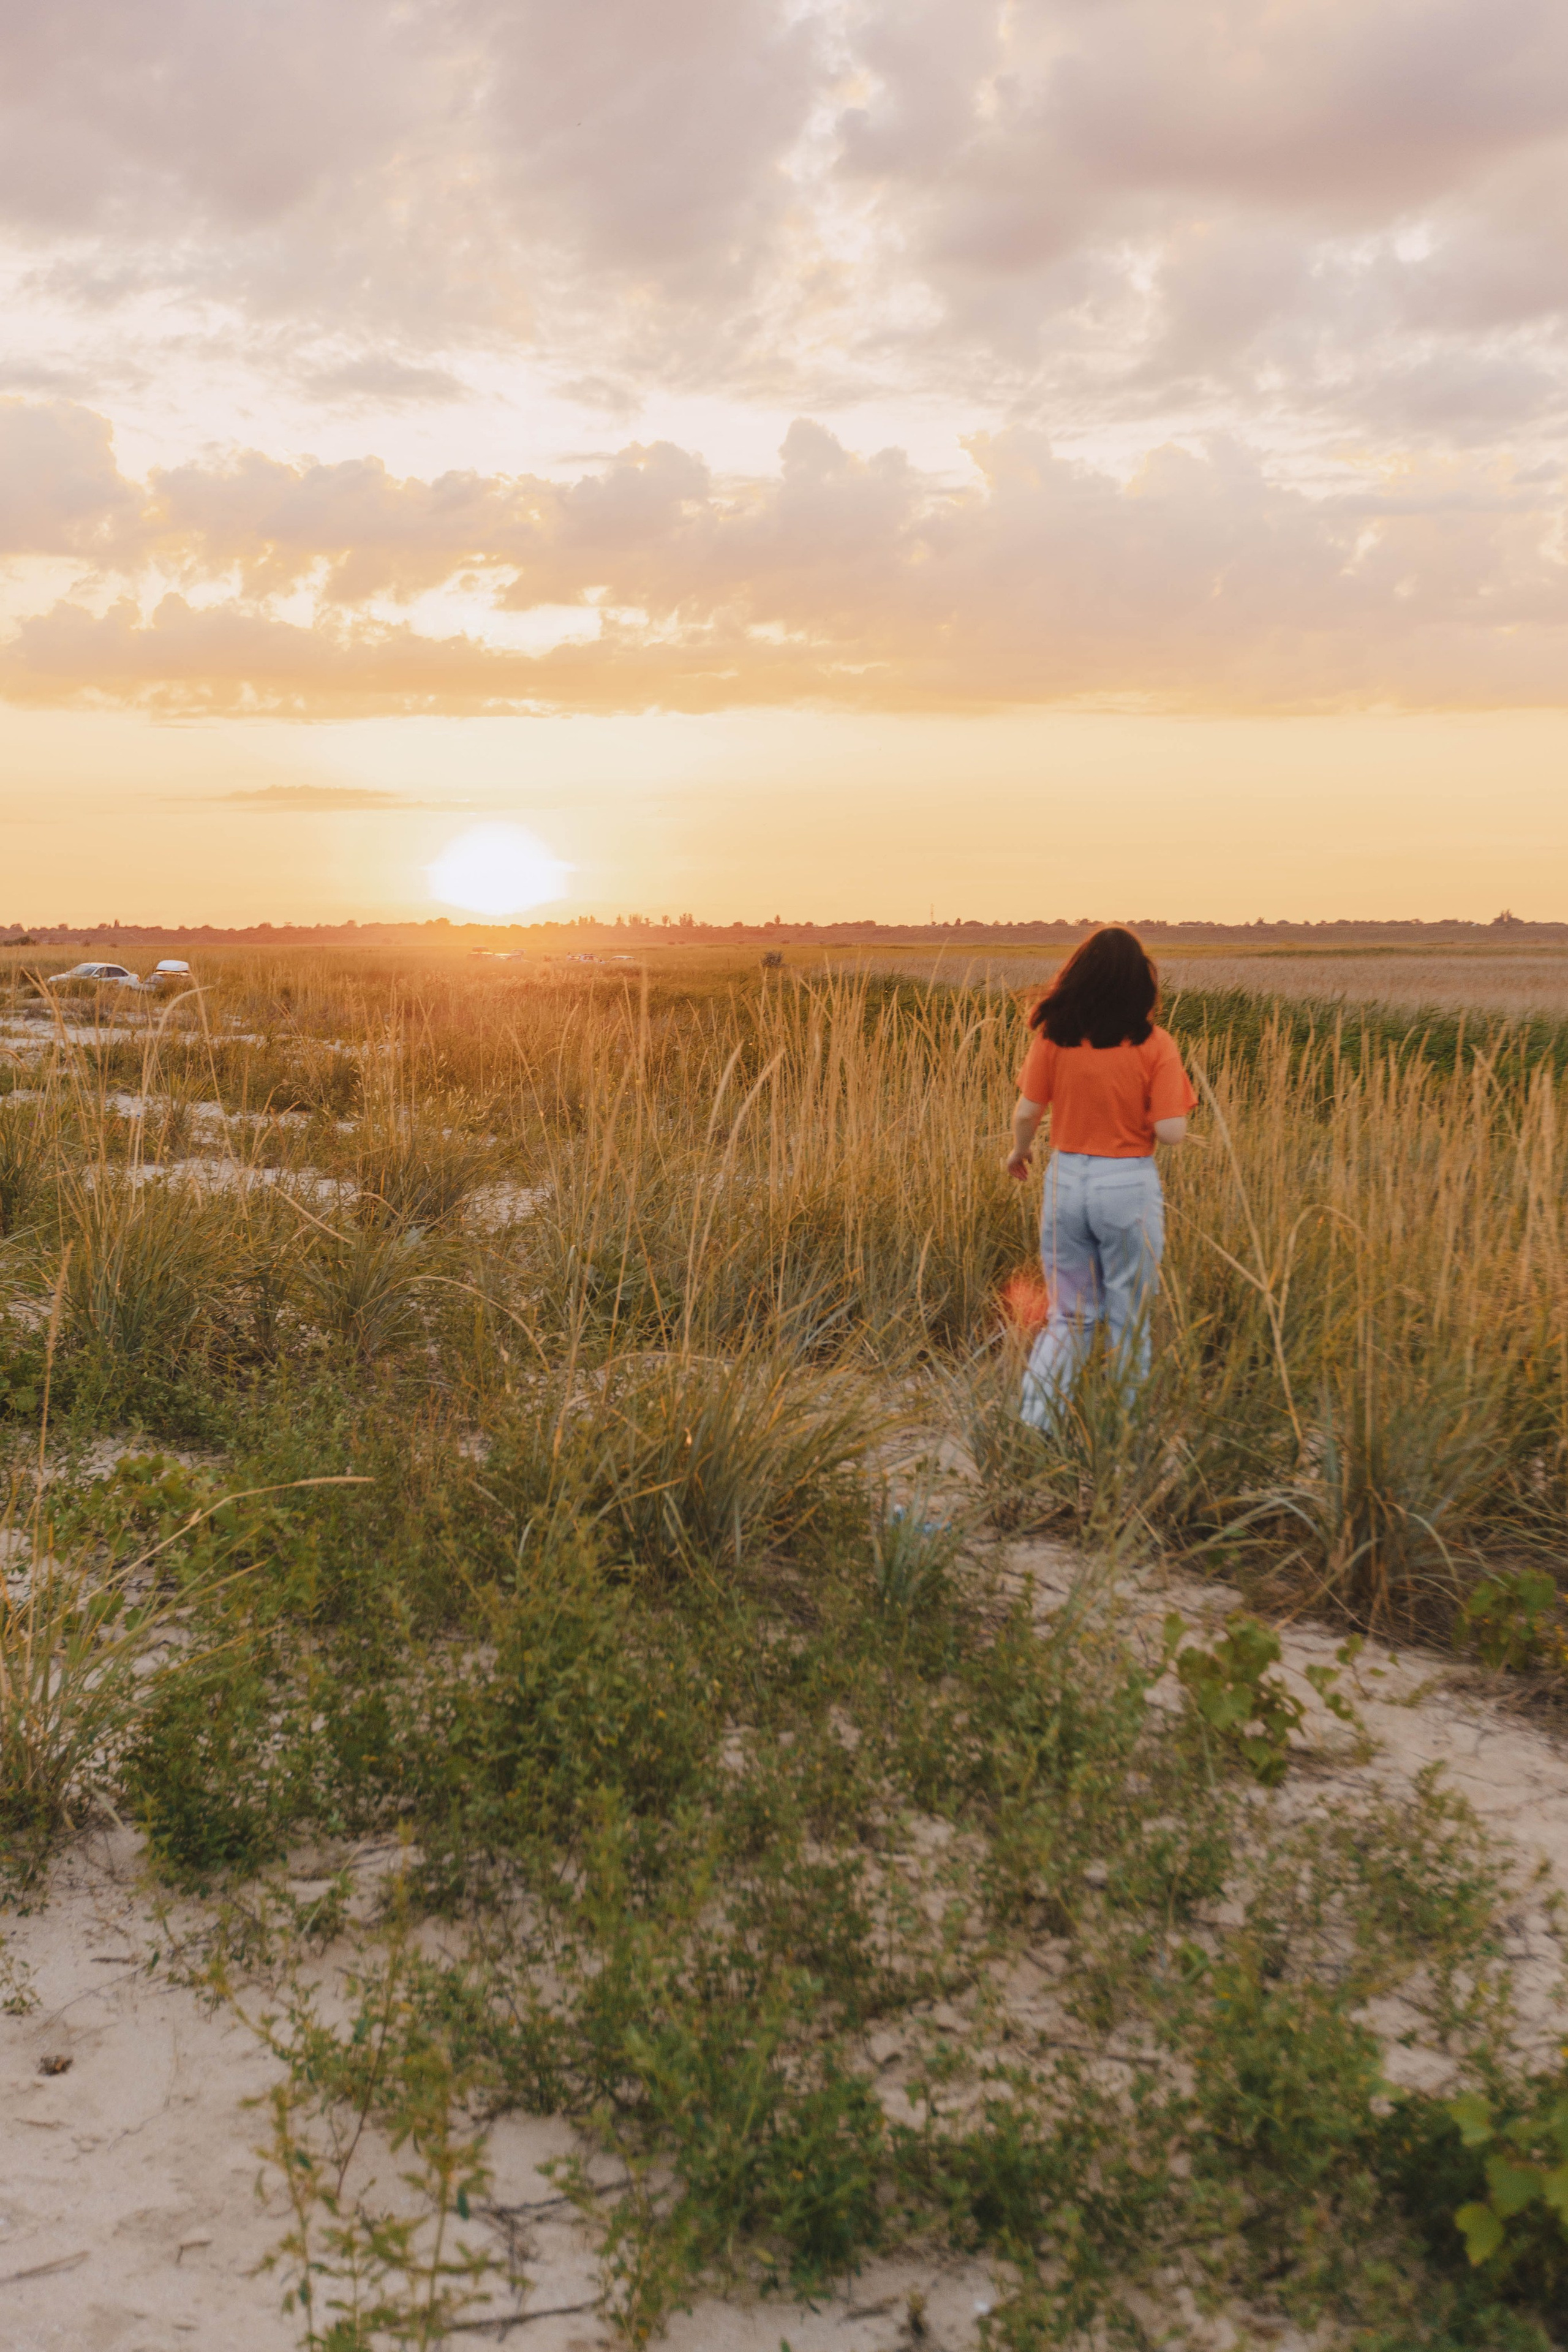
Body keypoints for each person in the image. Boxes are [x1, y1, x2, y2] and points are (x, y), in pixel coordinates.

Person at [1005, 926, 1196, 1428]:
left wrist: (1018, 1154)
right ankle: (1123, 1432)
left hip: (1065, 1180)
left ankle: (1034, 1422)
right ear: (1141, 986)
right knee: (1128, 1317)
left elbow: (1027, 1112)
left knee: (1069, 1315)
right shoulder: (1156, 1044)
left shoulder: (1054, 1036)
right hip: (1126, 1184)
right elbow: (1172, 1133)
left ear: (1078, 977)